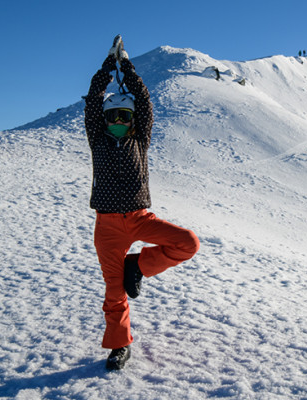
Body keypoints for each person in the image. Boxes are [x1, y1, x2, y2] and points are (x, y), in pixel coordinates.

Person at [84, 37, 200, 371]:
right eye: (111, 116)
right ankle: (119, 346)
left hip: (139, 218)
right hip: (107, 227)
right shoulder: (99, 141)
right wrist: (108, 67)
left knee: (187, 242)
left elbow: (146, 102)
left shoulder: (140, 140)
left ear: (133, 119)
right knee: (114, 291)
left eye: (123, 115)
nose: (116, 121)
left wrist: (129, 69)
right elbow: (93, 102)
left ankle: (138, 265)